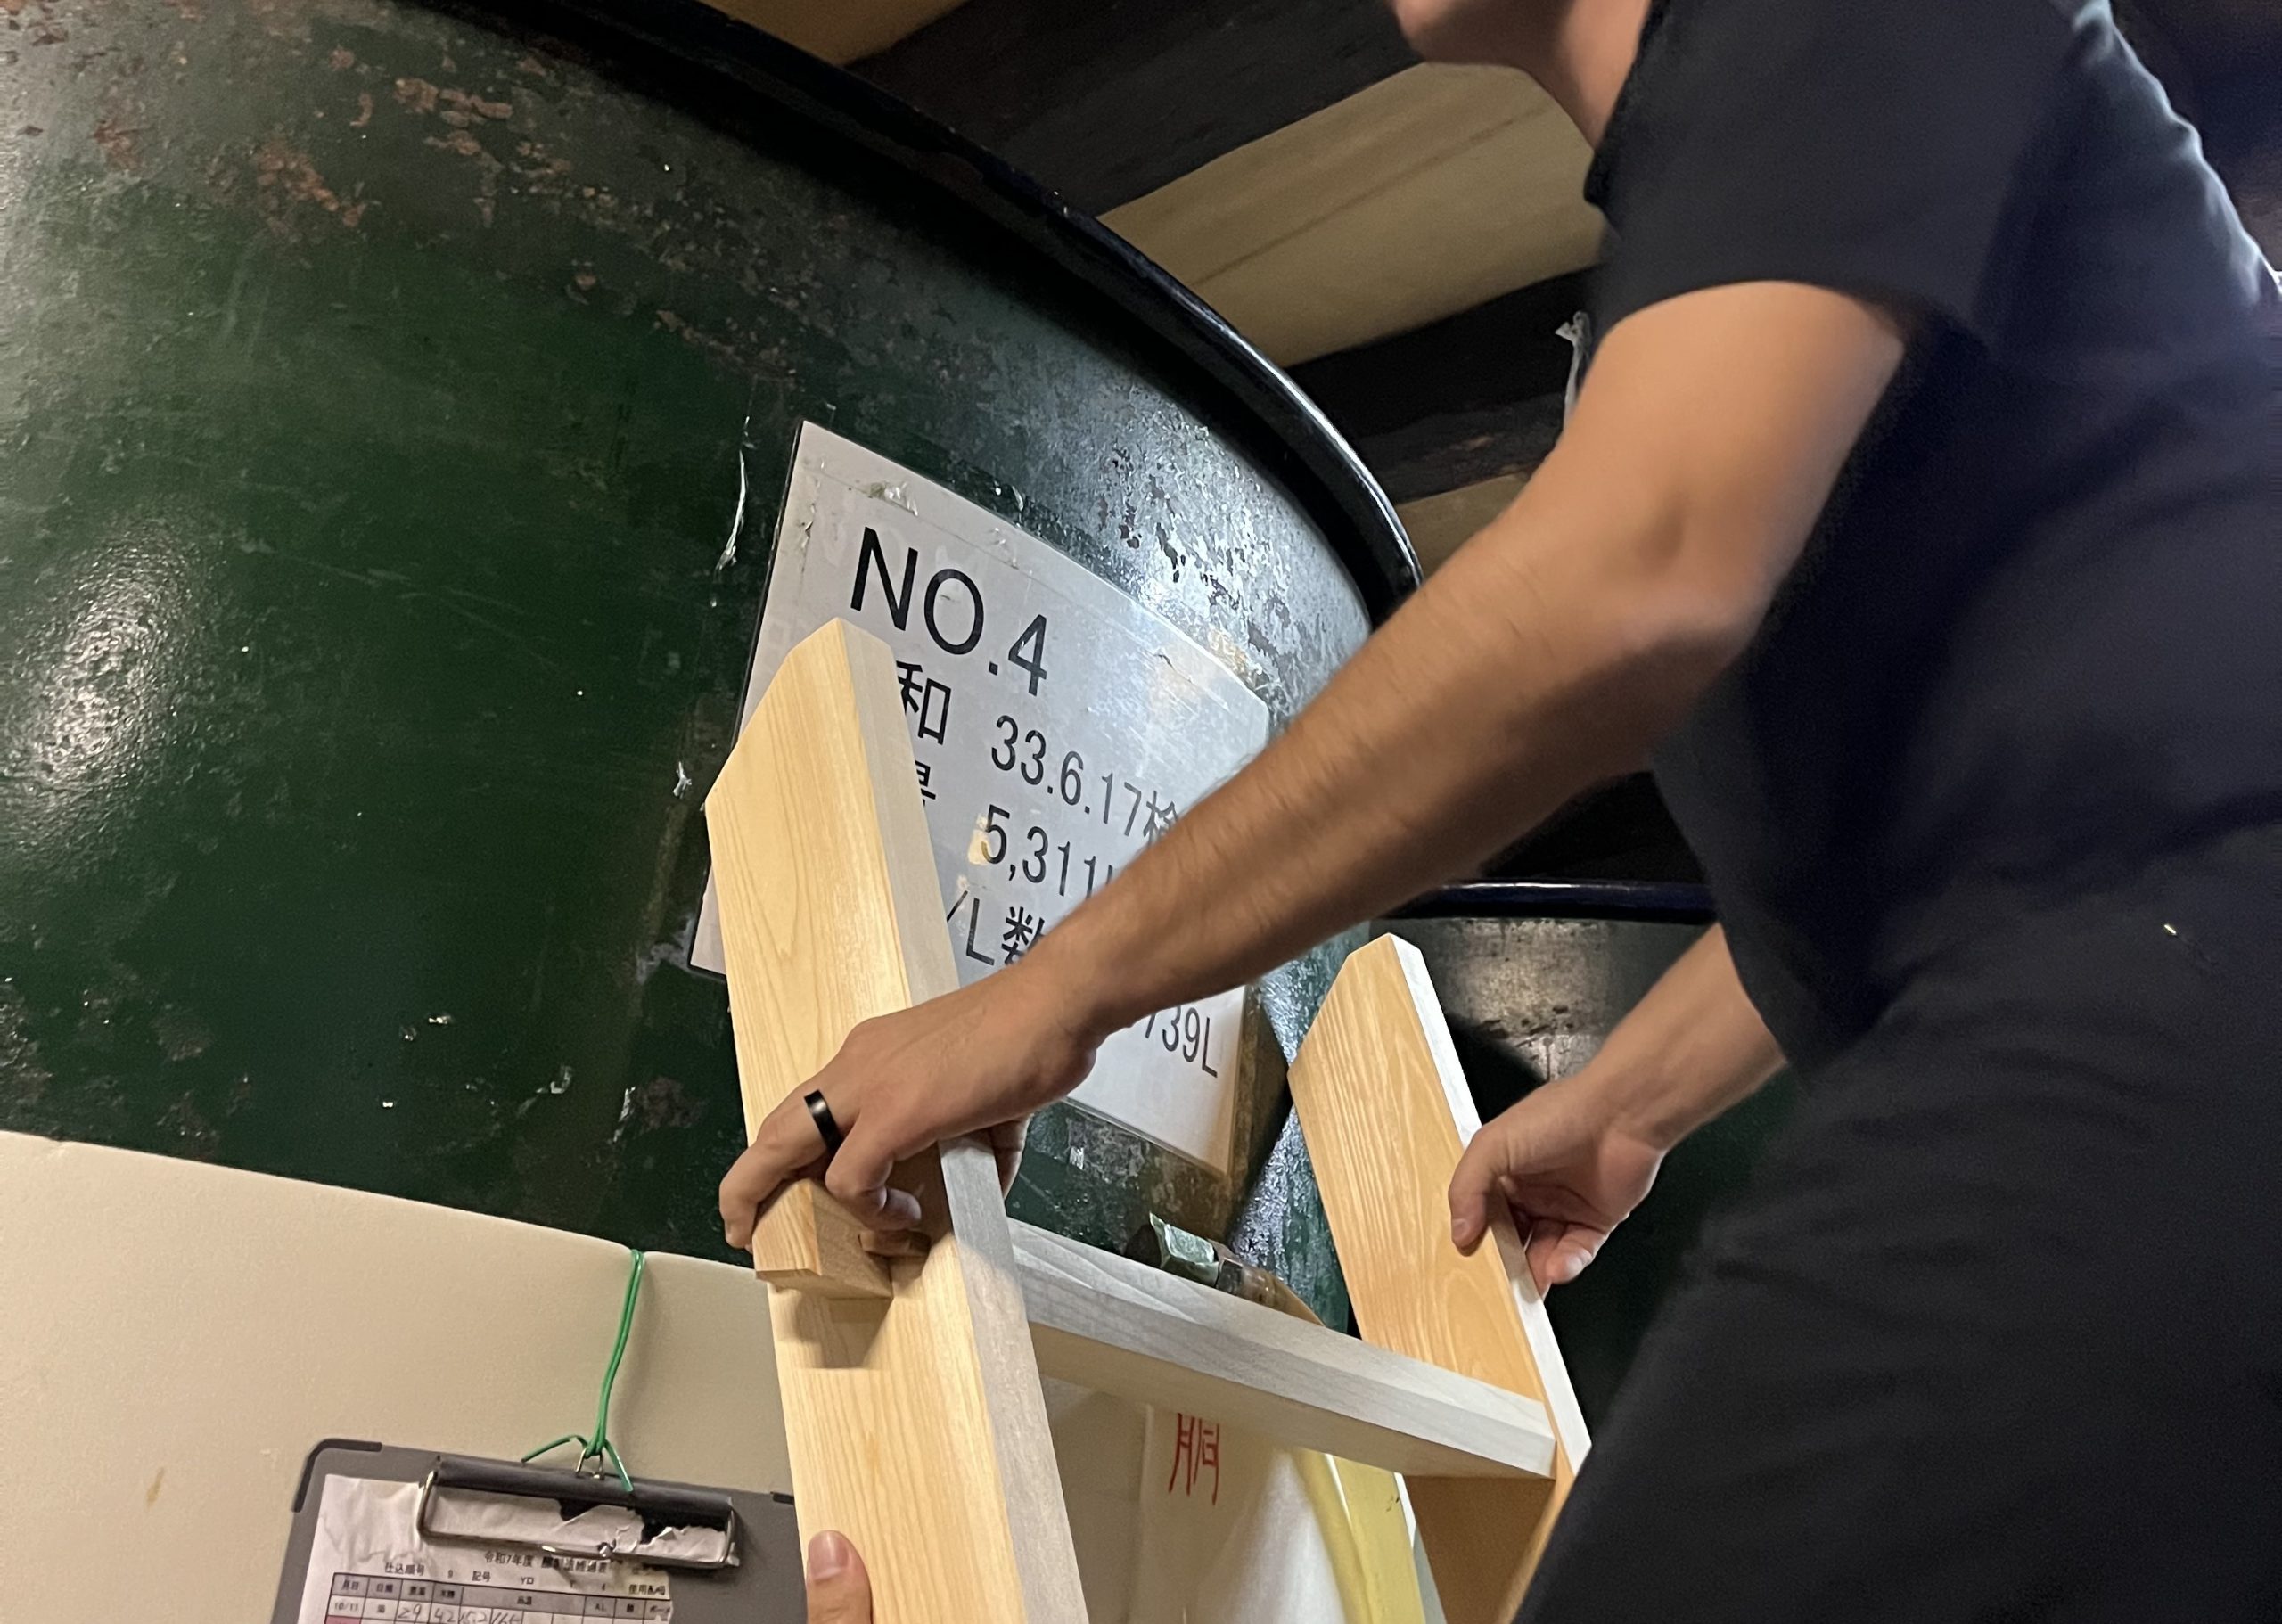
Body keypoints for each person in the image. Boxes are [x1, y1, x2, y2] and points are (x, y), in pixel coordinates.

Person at [727, 0, 2280, 1615]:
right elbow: (2004, 784)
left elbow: (1634, 571)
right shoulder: (1772, 209)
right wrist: (1632, 1103)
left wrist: (1052, 994)